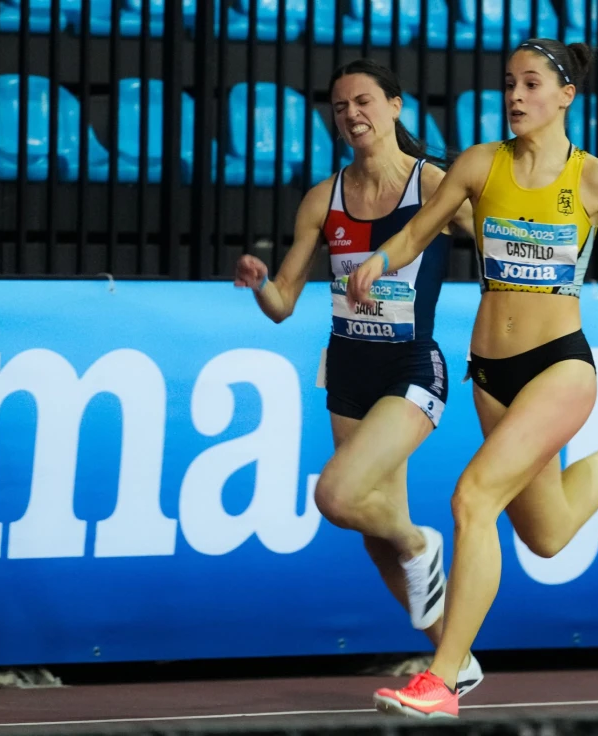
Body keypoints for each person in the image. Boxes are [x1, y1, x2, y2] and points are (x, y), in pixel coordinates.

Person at [346, 39, 598, 719]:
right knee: (547, 534)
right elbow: (421, 232)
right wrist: (379, 261)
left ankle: (444, 676)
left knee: (473, 499)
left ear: (564, 97)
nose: (515, 96)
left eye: (530, 85)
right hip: (490, 373)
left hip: (560, 369)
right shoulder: (479, 164)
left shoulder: (594, 177)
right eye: (508, 84)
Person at [233, 58, 484, 697]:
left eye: (364, 101)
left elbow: (497, 246)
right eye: (341, 107)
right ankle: (453, 662)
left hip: (410, 366)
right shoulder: (324, 198)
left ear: (395, 106)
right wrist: (262, 284)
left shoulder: (435, 187)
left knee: (339, 497)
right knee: (375, 535)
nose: (353, 115)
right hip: (346, 367)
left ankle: (421, 542)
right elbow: (285, 302)